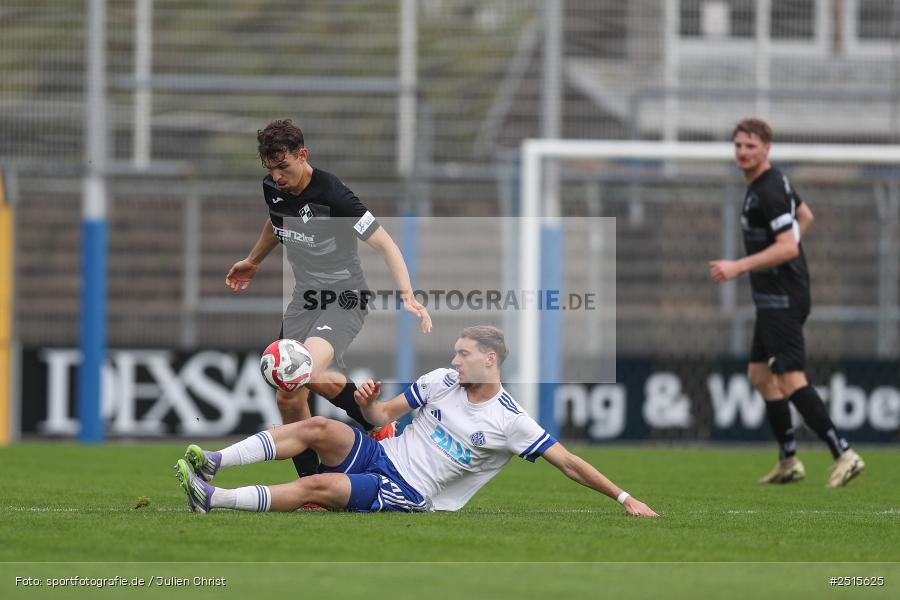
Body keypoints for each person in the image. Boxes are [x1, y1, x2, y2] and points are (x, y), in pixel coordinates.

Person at [175, 326, 658, 516]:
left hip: (406, 491)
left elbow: (569, 463)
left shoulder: (511, 421)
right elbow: (381, 417)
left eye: (464, 354)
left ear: (490, 359)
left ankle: (212, 499)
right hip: (382, 452)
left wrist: (625, 498)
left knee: (317, 487)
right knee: (318, 429)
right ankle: (214, 461)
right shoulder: (442, 381)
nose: (455, 359)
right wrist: (368, 403)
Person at [225, 119, 432, 478]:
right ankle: (312, 484)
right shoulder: (273, 188)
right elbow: (276, 222)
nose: (277, 176)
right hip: (304, 299)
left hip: (345, 296)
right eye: (270, 169)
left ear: (303, 155)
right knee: (286, 393)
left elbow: (386, 244)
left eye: (283, 166)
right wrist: (253, 261)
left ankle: (374, 419)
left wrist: (407, 295)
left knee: (304, 370)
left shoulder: (334, 195)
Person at [709, 118, 864, 488]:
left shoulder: (769, 190)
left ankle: (844, 453)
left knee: (790, 378)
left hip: (782, 297)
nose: (743, 152)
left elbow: (789, 247)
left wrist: (738, 266)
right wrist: (780, 252)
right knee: (759, 376)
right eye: (738, 145)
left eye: (750, 146)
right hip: (772, 297)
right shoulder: (769, 182)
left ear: (767, 148)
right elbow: (805, 216)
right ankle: (789, 461)